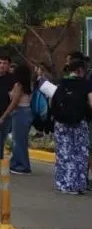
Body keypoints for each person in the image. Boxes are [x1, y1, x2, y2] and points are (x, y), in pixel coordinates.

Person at [41, 59, 92, 194]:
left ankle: (64, 184)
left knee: (64, 153)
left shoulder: (61, 83)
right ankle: (79, 184)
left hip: (62, 124)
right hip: (80, 123)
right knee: (80, 154)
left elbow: (52, 103)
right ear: (81, 70)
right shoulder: (86, 84)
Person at [7, 63, 33, 175]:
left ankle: (22, 166)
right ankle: (17, 163)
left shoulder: (18, 85)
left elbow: (14, 102)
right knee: (21, 140)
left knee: (18, 141)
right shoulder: (29, 85)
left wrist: (4, 115)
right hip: (27, 111)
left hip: (20, 112)